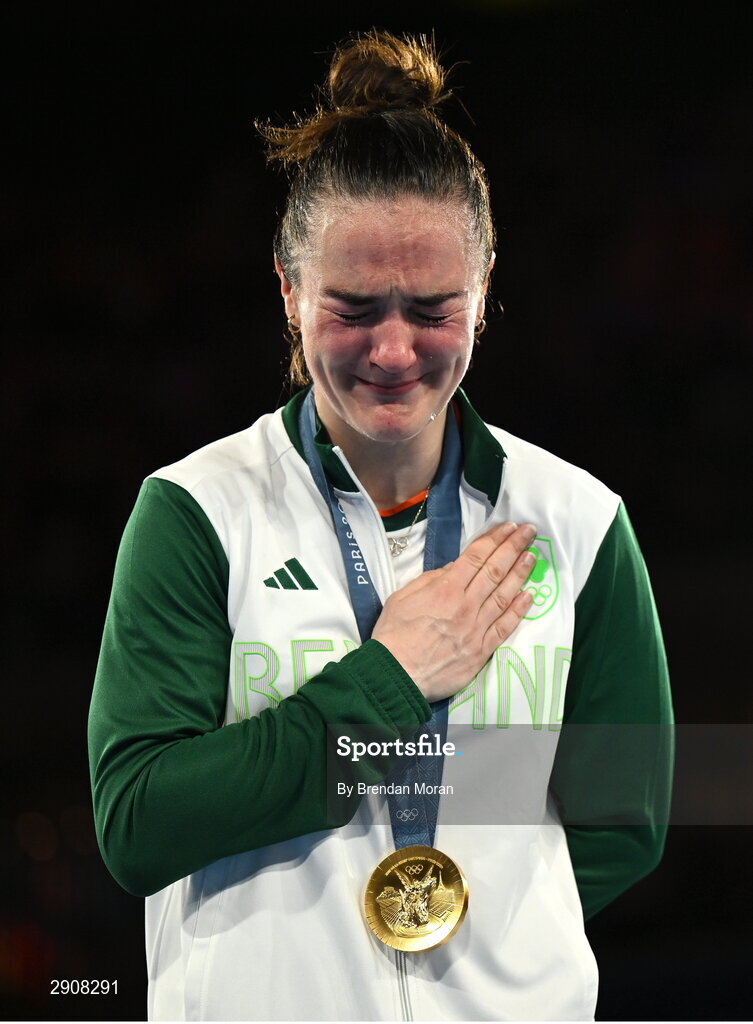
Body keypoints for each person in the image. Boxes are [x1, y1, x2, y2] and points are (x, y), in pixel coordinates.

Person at [88, 30, 673, 1021]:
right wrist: (386, 682)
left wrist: (497, 949)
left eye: (433, 306)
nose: (394, 349)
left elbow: (626, 821)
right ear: (288, 289)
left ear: (485, 292)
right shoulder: (198, 512)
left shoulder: (579, 520)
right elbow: (138, 821)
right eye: (354, 306)